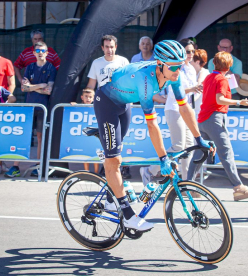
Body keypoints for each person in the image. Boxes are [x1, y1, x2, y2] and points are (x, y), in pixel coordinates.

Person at [94, 40, 214, 231]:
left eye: (181, 65)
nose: (178, 70)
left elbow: (184, 107)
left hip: (125, 104)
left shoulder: (174, 75)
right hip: (106, 103)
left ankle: (110, 198)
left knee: (117, 156)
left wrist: (199, 139)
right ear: (160, 64)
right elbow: (152, 125)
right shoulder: (146, 80)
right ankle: (127, 215)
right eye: (174, 66)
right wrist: (163, 158)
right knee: (114, 160)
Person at [187, 51, 248, 201]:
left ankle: (189, 186)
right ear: (229, 65)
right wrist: (240, 102)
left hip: (203, 119)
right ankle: (238, 187)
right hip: (215, 119)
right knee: (226, 153)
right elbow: (220, 99)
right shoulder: (222, 80)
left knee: (199, 154)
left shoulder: (209, 77)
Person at [140, 39, 202, 186]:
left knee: (188, 148)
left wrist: (196, 92)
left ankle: (187, 183)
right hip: (174, 108)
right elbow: (174, 93)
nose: (190, 54)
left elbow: (193, 93)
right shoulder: (174, 67)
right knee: (179, 146)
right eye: (187, 51)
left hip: (186, 108)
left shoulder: (192, 69)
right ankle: (150, 170)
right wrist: (192, 89)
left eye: (192, 51)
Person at [5, 42, 57, 178]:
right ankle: (15, 166)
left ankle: (38, 166)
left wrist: (32, 87)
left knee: (40, 137)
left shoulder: (51, 68)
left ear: (47, 53)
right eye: (38, 50)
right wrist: (39, 85)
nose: (40, 52)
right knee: (24, 135)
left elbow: (49, 90)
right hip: (30, 106)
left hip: (43, 108)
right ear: (33, 53)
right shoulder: (29, 67)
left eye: (43, 50)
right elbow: (24, 88)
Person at [86, 35, 130, 178]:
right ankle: (110, 172)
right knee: (112, 146)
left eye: (112, 47)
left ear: (115, 47)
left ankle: (115, 171)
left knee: (120, 142)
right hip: (106, 105)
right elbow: (91, 86)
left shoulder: (123, 61)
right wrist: (87, 96)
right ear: (102, 48)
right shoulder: (97, 63)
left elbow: (130, 82)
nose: (109, 50)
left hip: (123, 103)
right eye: (106, 47)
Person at [70, 88, 100, 173]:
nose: (88, 99)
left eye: (90, 97)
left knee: (95, 153)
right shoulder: (79, 107)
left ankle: (96, 173)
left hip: (94, 134)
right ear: (82, 97)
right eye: (86, 96)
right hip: (83, 133)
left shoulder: (96, 107)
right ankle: (86, 172)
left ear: (94, 98)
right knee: (85, 153)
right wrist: (74, 105)